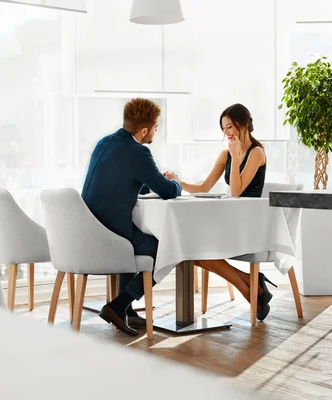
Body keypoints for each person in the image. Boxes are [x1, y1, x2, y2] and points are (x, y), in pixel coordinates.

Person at [164, 103, 275, 320]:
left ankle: (254, 289)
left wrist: (234, 158)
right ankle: (252, 287)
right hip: (230, 219)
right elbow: (204, 187)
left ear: (243, 125)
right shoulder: (226, 154)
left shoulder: (257, 153)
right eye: (224, 128)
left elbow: (236, 192)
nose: (226, 133)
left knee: (195, 249)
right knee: (189, 251)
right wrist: (178, 182)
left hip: (248, 223)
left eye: (230, 127)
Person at [81, 98, 181, 336]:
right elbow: (167, 191)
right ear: (144, 130)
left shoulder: (105, 143)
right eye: (156, 127)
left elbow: (122, 181)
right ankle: (118, 305)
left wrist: (150, 181)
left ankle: (127, 310)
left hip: (89, 229)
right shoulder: (139, 152)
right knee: (168, 249)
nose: (157, 131)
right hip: (111, 233)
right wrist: (175, 181)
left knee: (137, 239)